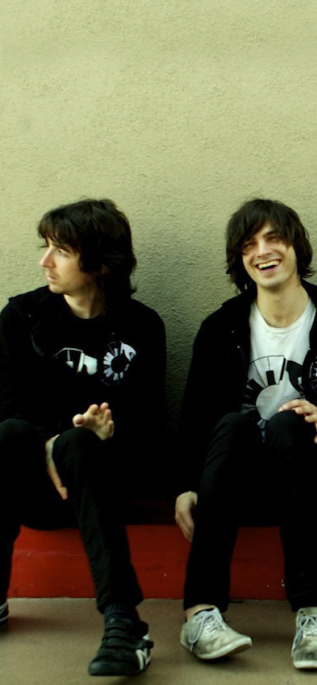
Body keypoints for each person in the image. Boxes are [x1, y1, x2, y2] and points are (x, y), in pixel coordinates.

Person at [174, 199, 317, 670]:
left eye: (273, 239)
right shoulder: (220, 328)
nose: (262, 252)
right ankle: (200, 615)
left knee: (288, 422)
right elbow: (195, 420)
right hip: (236, 487)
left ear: (296, 246)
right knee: (233, 423)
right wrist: (184, 485)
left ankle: (314, 613)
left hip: (313, 484)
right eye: (249, 245)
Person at [0, 199, 165, 676]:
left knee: (80, 444)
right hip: (37, 491)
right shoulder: (23, 317)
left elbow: (149, 429)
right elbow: (9, 408)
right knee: (11, 433)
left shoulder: (142, 327)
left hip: (109, 488)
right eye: (46, 247)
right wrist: (51, 442)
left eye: (62, 251)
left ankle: (124, 622)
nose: (45, 261)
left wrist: (106, 434)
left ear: (99, 263)